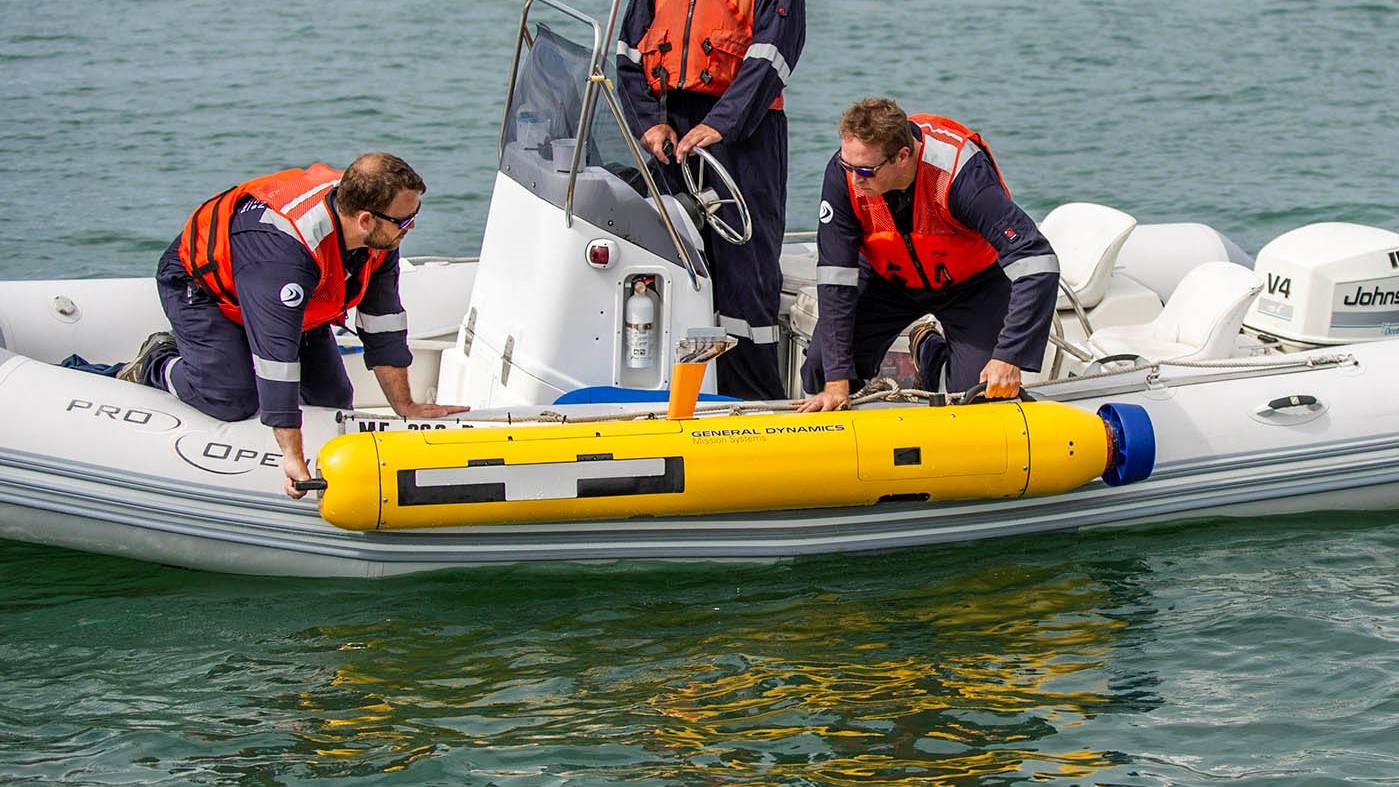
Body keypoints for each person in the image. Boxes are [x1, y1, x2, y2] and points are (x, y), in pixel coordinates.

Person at [118, 152, 469, 498]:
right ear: (365, 219)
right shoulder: (284, 252)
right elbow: (277, 359)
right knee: (231, 398)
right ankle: (157, 361)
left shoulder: (380, 234)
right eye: (406, 220)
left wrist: (405, 405)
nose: (412, 226)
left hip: (295, 294)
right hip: (202, 288)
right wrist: (292, 457)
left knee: (333, 400)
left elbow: (383, 320)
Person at [796, 98, 1060, 412]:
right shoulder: (845, 174)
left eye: (865, 171)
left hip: (971, 284)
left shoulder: (961, 174)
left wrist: (1009, 356)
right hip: (887, 278)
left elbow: (1037, 260)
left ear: (903, 156)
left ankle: (928, 350)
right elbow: (835, 276)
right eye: (847, 166)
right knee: (823, 369)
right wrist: (837, 382)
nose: (854, 180)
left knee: (980, 400)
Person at [616, 0, 805, 400]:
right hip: (670, 132)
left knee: (745, 277)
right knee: (670, 261)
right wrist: (648, 122)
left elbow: (775, 56)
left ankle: (753, 399)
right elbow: (626, 54)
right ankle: (673, 392)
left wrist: (721, 124)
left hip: (745, 136)